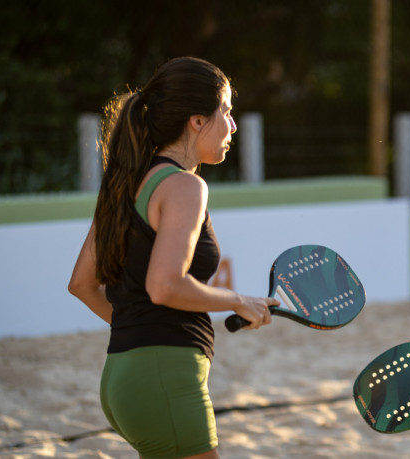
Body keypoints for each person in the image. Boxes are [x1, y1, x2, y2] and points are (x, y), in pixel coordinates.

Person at [68, 57, 279, 459]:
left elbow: (81, 284)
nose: (233, 126)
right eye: (227, 112)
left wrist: (142, 329)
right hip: (162, 377)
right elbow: (165, 286)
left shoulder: (126, 180)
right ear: (197, 120)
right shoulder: (185, 187)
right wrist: (238, 300)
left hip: (122, 376)